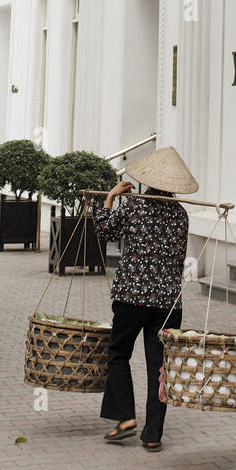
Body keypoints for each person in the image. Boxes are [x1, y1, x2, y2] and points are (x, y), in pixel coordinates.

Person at [93, 146, 198, 452]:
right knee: (160, 367)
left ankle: (126, 418)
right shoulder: (181, 215)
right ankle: (153, 434)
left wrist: (111, 198)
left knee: (118, 354)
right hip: (167, 303)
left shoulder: (134, 206)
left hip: (130, 297)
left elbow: (104, 231)